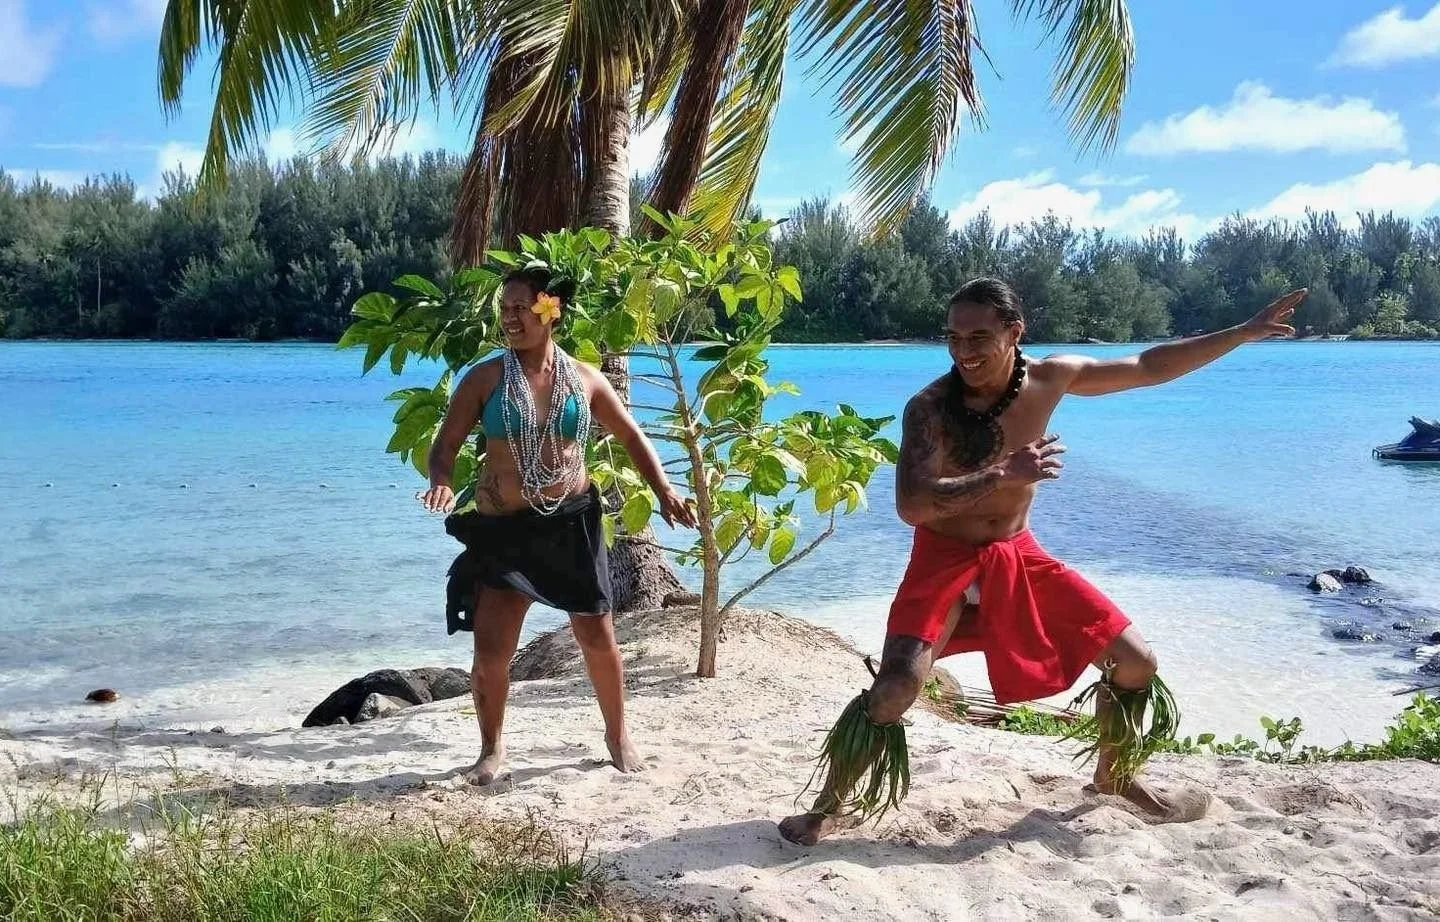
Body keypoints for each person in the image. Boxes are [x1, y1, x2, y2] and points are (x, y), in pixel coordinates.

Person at [779, 278, 1304, 844]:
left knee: (1136, 663)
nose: (963, 351)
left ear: (1014, 332)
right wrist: (1001, 474)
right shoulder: (929, 409)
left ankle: (1114, 776)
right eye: (953, 338)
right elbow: (912, 506)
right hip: (943, 557)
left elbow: (1148, 364)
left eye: (978, 337)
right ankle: (829, 805)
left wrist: (1241, 333)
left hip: (1018, 552)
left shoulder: (1050, 378)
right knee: (896, 688)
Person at [420, 266, 696, 785]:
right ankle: (491, 749)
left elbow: (632, 437)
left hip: (570, 524)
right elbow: (445, 446)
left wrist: (665, 492)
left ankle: (618, 736)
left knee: (597, 636)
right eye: (504, 309)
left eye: (520, 308)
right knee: (492, 651)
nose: (509, 318)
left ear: (551, 310)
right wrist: (441, 481)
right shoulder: (485, 379)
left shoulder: (586, 379)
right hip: (504, 530)